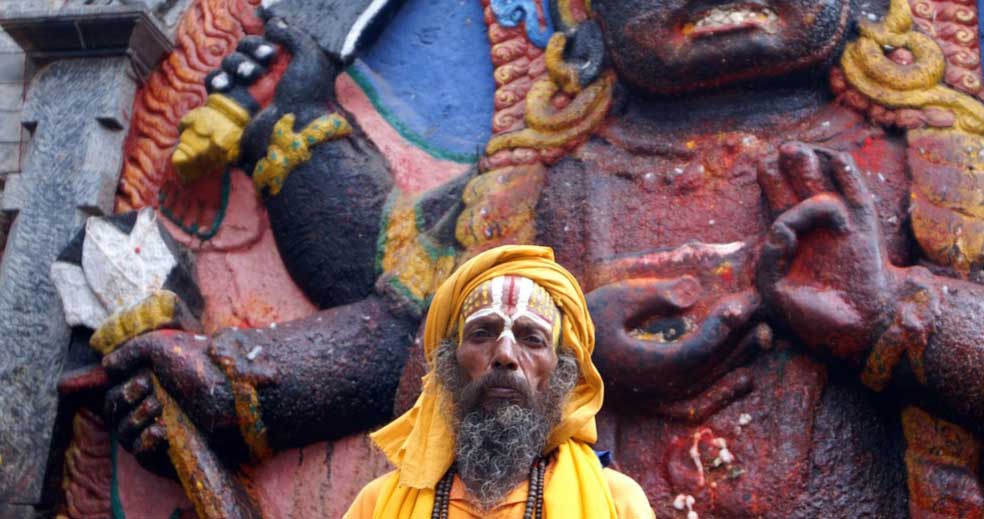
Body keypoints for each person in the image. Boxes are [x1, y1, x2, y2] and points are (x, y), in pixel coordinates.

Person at [344, 244, 654, 518]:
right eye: (481, 334)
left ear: (562, 372)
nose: (505, 354)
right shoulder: (377, 505)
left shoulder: (616, 502)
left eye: (532, 339)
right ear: (449, 362)